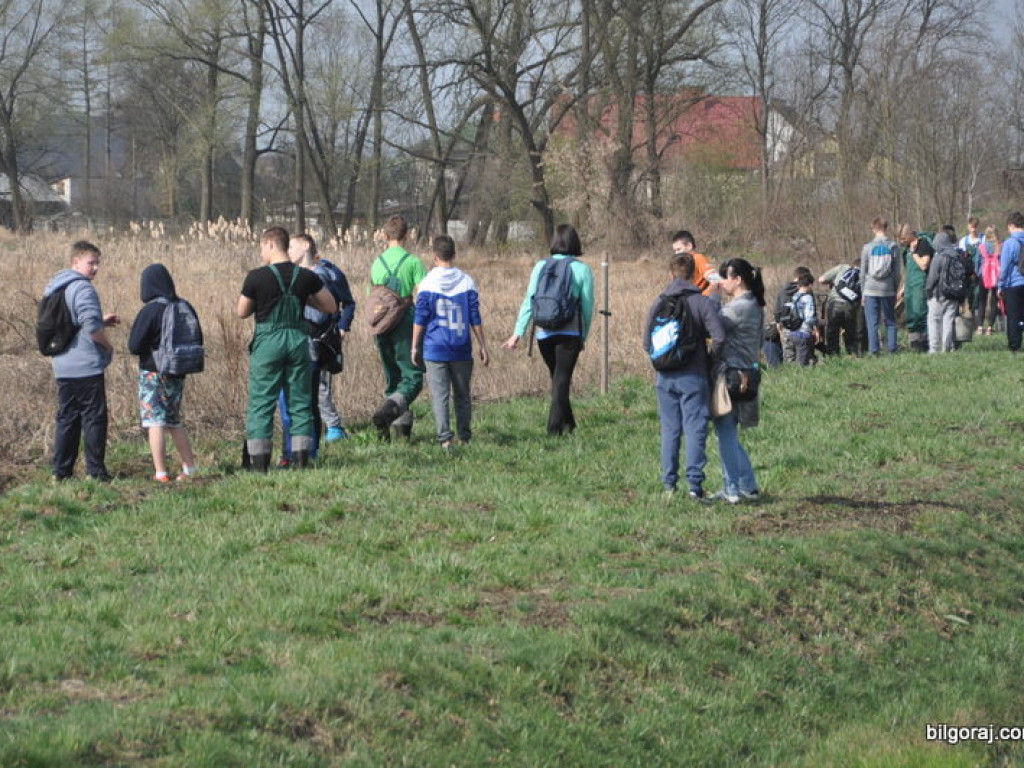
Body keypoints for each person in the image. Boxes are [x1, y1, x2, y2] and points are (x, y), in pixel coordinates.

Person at [237, 227, 337, 472]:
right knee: (300, 402)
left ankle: (260, 464)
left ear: (271, 244)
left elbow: (242, 311)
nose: (261, 252)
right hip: (298, 342)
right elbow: (331, 306)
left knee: (262, 403)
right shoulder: (306, 277)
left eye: (262, 247)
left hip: (268, 342)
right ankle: (300, 461)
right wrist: (304, 298)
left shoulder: (256, 277)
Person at [643, 252, 725, 500]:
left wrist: (666, 359)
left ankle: (669, 484)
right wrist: (709, 358)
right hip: (694, 375)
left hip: (665, 376)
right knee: (695, 428)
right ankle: (694, 486)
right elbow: (719, 337)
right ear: (695, 274)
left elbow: (647, 343)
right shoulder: (701, 302)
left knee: (670, 430)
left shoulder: (658, 303)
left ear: (670, 274)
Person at [502, 223, 595, 435]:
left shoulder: (540, 266)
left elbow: (529, 300)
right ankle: (553, 431)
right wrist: (584, 334)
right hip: (570, 333)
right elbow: (587, 306)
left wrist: (518, 332)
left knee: (558, 379)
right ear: (575, 242)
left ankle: (569, 424)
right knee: (561, 380)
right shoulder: (582, 269)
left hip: (543, 332)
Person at [44, 240, 119, 482]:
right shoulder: (84, 288)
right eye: (91, 263)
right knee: (94, 417)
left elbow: (70, 322)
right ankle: (95, 472)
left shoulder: (55, 287)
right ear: (75, 262)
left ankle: (61, 472)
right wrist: (108, 345)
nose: (95, 268)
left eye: (97, 263)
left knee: (67, 418)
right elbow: (92, 329)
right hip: (85, 365)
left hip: (62, 363)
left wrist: (100, 319)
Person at [276, 234, 355, 464]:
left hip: (310, 345)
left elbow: (329, 310)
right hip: (308, 345)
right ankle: (310, 450)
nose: (288, 250)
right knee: (311, 399)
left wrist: (340, 327)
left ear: (306, 245)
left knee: (305, 401)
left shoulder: (320, 275)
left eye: (292, 246)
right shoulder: (303, 274)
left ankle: (303, 452)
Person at [411, 235, 490, 449]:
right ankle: (464, 437)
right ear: (454, 254)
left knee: (440, 396)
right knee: (462, 395)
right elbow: (474, 317)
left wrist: (414, 346)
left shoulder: (427, 283)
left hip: (435, 348)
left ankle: (445, 439)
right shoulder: (467, 281)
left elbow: (420, 319)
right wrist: (483, 345)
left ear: (435, 256)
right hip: (461, 347)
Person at [127, 263, 200, 482]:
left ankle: (161, 473)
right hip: (178, 370)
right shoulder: (184, 306)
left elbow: (134, 345)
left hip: (153, 371)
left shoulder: (151, 310)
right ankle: (190, 468)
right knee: (173, 420)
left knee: (154, 421)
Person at [710, 258, 764, 504]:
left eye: (726, 277)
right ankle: (748, 486)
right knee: (728, 433)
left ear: (738, 280)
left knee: (726, 433)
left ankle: (731, 488)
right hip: (746, 374)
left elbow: (711, 323)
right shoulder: (755, 304)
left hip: (732, 377)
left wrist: (712, 294)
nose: (723, 282)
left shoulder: (740, 307)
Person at [369, 215, 428, 441]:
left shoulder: (377, 263)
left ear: (385, 235)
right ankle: (387, 414)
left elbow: (372, 296)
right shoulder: (413, 262)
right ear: (408, 235)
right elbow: (424, 297)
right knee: (412, 377)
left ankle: (396, 432)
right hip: (404, 322)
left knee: (392, 377)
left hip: (380, 323)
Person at [860, 217, 901, 355]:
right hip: (887, 289)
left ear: (873, 229)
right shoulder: (893, 246)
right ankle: (892, 349)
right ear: (886, 228)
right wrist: (895, 288)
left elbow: (863, 272)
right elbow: (897, 272)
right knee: (890, 320)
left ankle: (874, 350)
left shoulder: (867, 247)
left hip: (870, 289)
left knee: (872, 322)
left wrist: (863, 292)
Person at [897, 225, 933, 352]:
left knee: (920, 312)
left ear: (910, 234)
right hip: (910, 286)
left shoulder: (923, 244)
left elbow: (924, 265)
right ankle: (914, 343)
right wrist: (903, 288)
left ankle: (925, 342)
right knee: (911, 314)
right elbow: (908, 270)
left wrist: (914, 253)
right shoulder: (906, 249)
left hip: (920, 284)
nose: (902, 242)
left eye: (903, 238)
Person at [818, 262, 865, 357]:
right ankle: (853, 354)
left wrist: (832, 282)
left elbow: (821, 280)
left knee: (832, 331)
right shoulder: (864, 274)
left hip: (835, 303)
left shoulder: (843, 267)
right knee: (850, 331)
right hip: (851, 305)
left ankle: (834, 355)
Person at [924, 231, 960, 353]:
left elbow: (932, 277)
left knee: (934, 319)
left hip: (938, 294)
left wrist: (928, 290)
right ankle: (946, 348)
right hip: (954, 294)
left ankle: (934, 348)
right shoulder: (956, 256)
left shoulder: (938, 257)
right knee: (948, 320)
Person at [773, 266, 812, 363]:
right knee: (805, 355)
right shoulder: (806, 290)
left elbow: (777, 309)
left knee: (788, 355)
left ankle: (791, 372)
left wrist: (778, 322)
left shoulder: (783, 290)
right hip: (802, 327)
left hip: (786, 326)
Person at [998, 211, 1024, 353]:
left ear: (1011, 225)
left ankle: (1015, 346)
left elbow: (1004, 267)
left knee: (1014, 316)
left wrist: (1000, 285)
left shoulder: (1010, 243)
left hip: (1013, 283)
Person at [671, 230, 719, 298]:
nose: (676, 253)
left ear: (689, 246)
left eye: (679, 249)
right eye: (675, 250)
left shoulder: (698, 258)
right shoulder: (679, 264)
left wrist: (702, 297)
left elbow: (716, 280)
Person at [790, 272, 819, 366]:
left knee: (800, 358)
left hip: (793, 332)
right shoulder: (808, 298)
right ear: (810, 284)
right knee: (802, 363)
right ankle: (799, 375)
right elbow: (809, 319)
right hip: (804, 333)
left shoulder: (794, 296)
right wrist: (820, 322)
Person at [977, 226, 1001, 335]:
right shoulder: (1000, 247)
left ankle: (979, 327)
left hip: (984, 276)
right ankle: (990, 327)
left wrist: (978, 274)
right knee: (994, 302)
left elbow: (977, 263)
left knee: (982, 301)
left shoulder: (981, 247)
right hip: (996, 276)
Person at [959, 217, 984, 319]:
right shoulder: (964, 241)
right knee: (969, 294)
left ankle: (978, 316)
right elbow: (961, 257)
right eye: (971, 227)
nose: (973, 229)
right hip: (968, 273)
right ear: (968, 227)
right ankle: (971, 314)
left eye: (975, 227)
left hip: (981, 272)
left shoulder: (983, 239)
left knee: (979, 294)